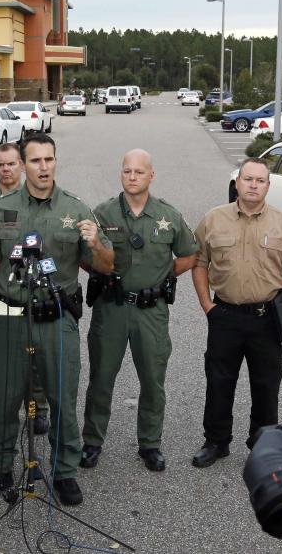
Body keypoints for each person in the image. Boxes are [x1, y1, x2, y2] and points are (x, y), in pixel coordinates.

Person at [0, 133, 114, 506]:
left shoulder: (77, 209)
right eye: (35, 161)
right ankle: (1, 469)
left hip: (57, 319)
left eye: (49, 159)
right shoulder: (1, 209)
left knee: (63, 398)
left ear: (55, 161)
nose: (44, 167)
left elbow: (105, 266)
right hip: (11, 317)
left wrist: (97, 243)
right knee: (3, 399)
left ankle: (64, 472)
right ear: (22, 165)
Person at [80, 149, 198, 472]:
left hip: (151, 311)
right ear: (121, 174)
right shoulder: (103, 213)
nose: (132, 177)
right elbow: (84, 256)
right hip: (111, 308)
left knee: (152, 380)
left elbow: (189, 255)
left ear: (151, 176)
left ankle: (149, 444)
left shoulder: (168, 216)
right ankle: (92, 441)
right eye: (127, 171)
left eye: (139, 172)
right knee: (101, 378)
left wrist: (161, 279)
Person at [191, 157, 282, 468]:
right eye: (248, 179)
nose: (253, 185)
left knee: (266, 384)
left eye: (260, 180)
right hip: (225, 316)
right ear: (237, 183)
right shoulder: (213, 219)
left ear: (268, 186)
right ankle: (216, 441)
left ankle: (264, 445)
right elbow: (199, 263)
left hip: (267, 319)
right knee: (219, 380)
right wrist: (207, 305)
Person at [0, 143, 50, 436]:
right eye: (0, 164)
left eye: (11, 164)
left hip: (30, 289)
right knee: (0, 354)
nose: (6, 170)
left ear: (21, 166)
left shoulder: (38, 200)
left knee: (35, 355)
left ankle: (37, 409)